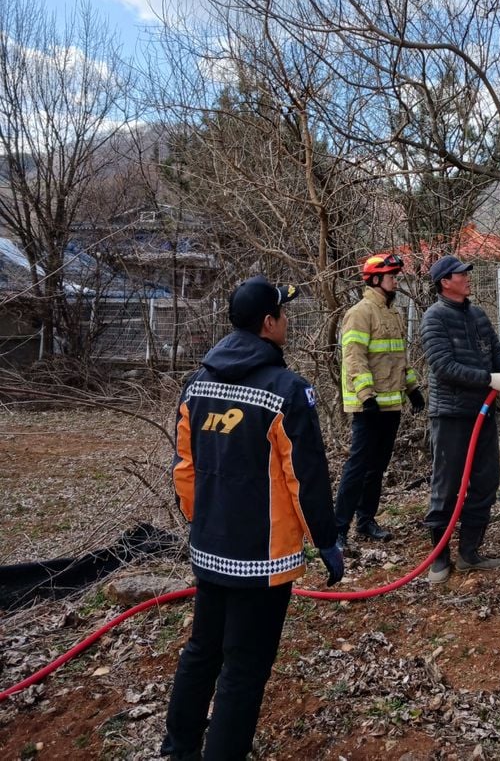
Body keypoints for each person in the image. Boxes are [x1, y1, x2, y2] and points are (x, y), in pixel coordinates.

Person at [161, 275, 344, 761]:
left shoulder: (195, 385)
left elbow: (185, 468)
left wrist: (202, 523)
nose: (288, 319)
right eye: (283, 312)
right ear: (268, 323)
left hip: (209, 550)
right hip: (261, 562)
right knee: (244, 667)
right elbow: (304, 479)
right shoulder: (287, 390)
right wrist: (326, 539)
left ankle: (179, 748)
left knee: (203, 651)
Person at [421, 255, 500, 583]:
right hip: (451, 415)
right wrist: (488, 380)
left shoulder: (477, 315)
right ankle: (439, 558)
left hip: (482, 415)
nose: (468, 277)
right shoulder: (434, 319)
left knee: (485, 482)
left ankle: (469, 553)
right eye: (462, 274)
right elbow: (444, 367)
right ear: (446, 281)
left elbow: (496, 352)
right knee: (447, 487)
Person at [335, 252, 426, 546]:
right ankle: (338, 530)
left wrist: (413, 390)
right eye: (392, 277)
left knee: (377, 466)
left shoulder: (393, 313)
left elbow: (398, 358)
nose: (396, 281)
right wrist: (367, 397)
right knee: (358, 467)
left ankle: (366, 522)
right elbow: (354, 359)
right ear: (375, 279)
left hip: (391, 404)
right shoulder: (360, 313)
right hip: (369, 408)